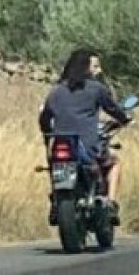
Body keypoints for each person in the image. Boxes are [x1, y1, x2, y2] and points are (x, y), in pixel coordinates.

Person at [39, 48, 132, 223]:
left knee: (54, 167)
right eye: (95, 66)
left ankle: (56, 200)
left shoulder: (56, 91)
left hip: (60, 146)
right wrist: (125, 118)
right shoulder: (96, 89)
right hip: (87, 147)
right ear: (85, 67)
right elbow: (113, 109)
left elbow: (45, 117)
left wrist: (46, 133)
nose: (99, 70)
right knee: (114, 163)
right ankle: (110, 203)